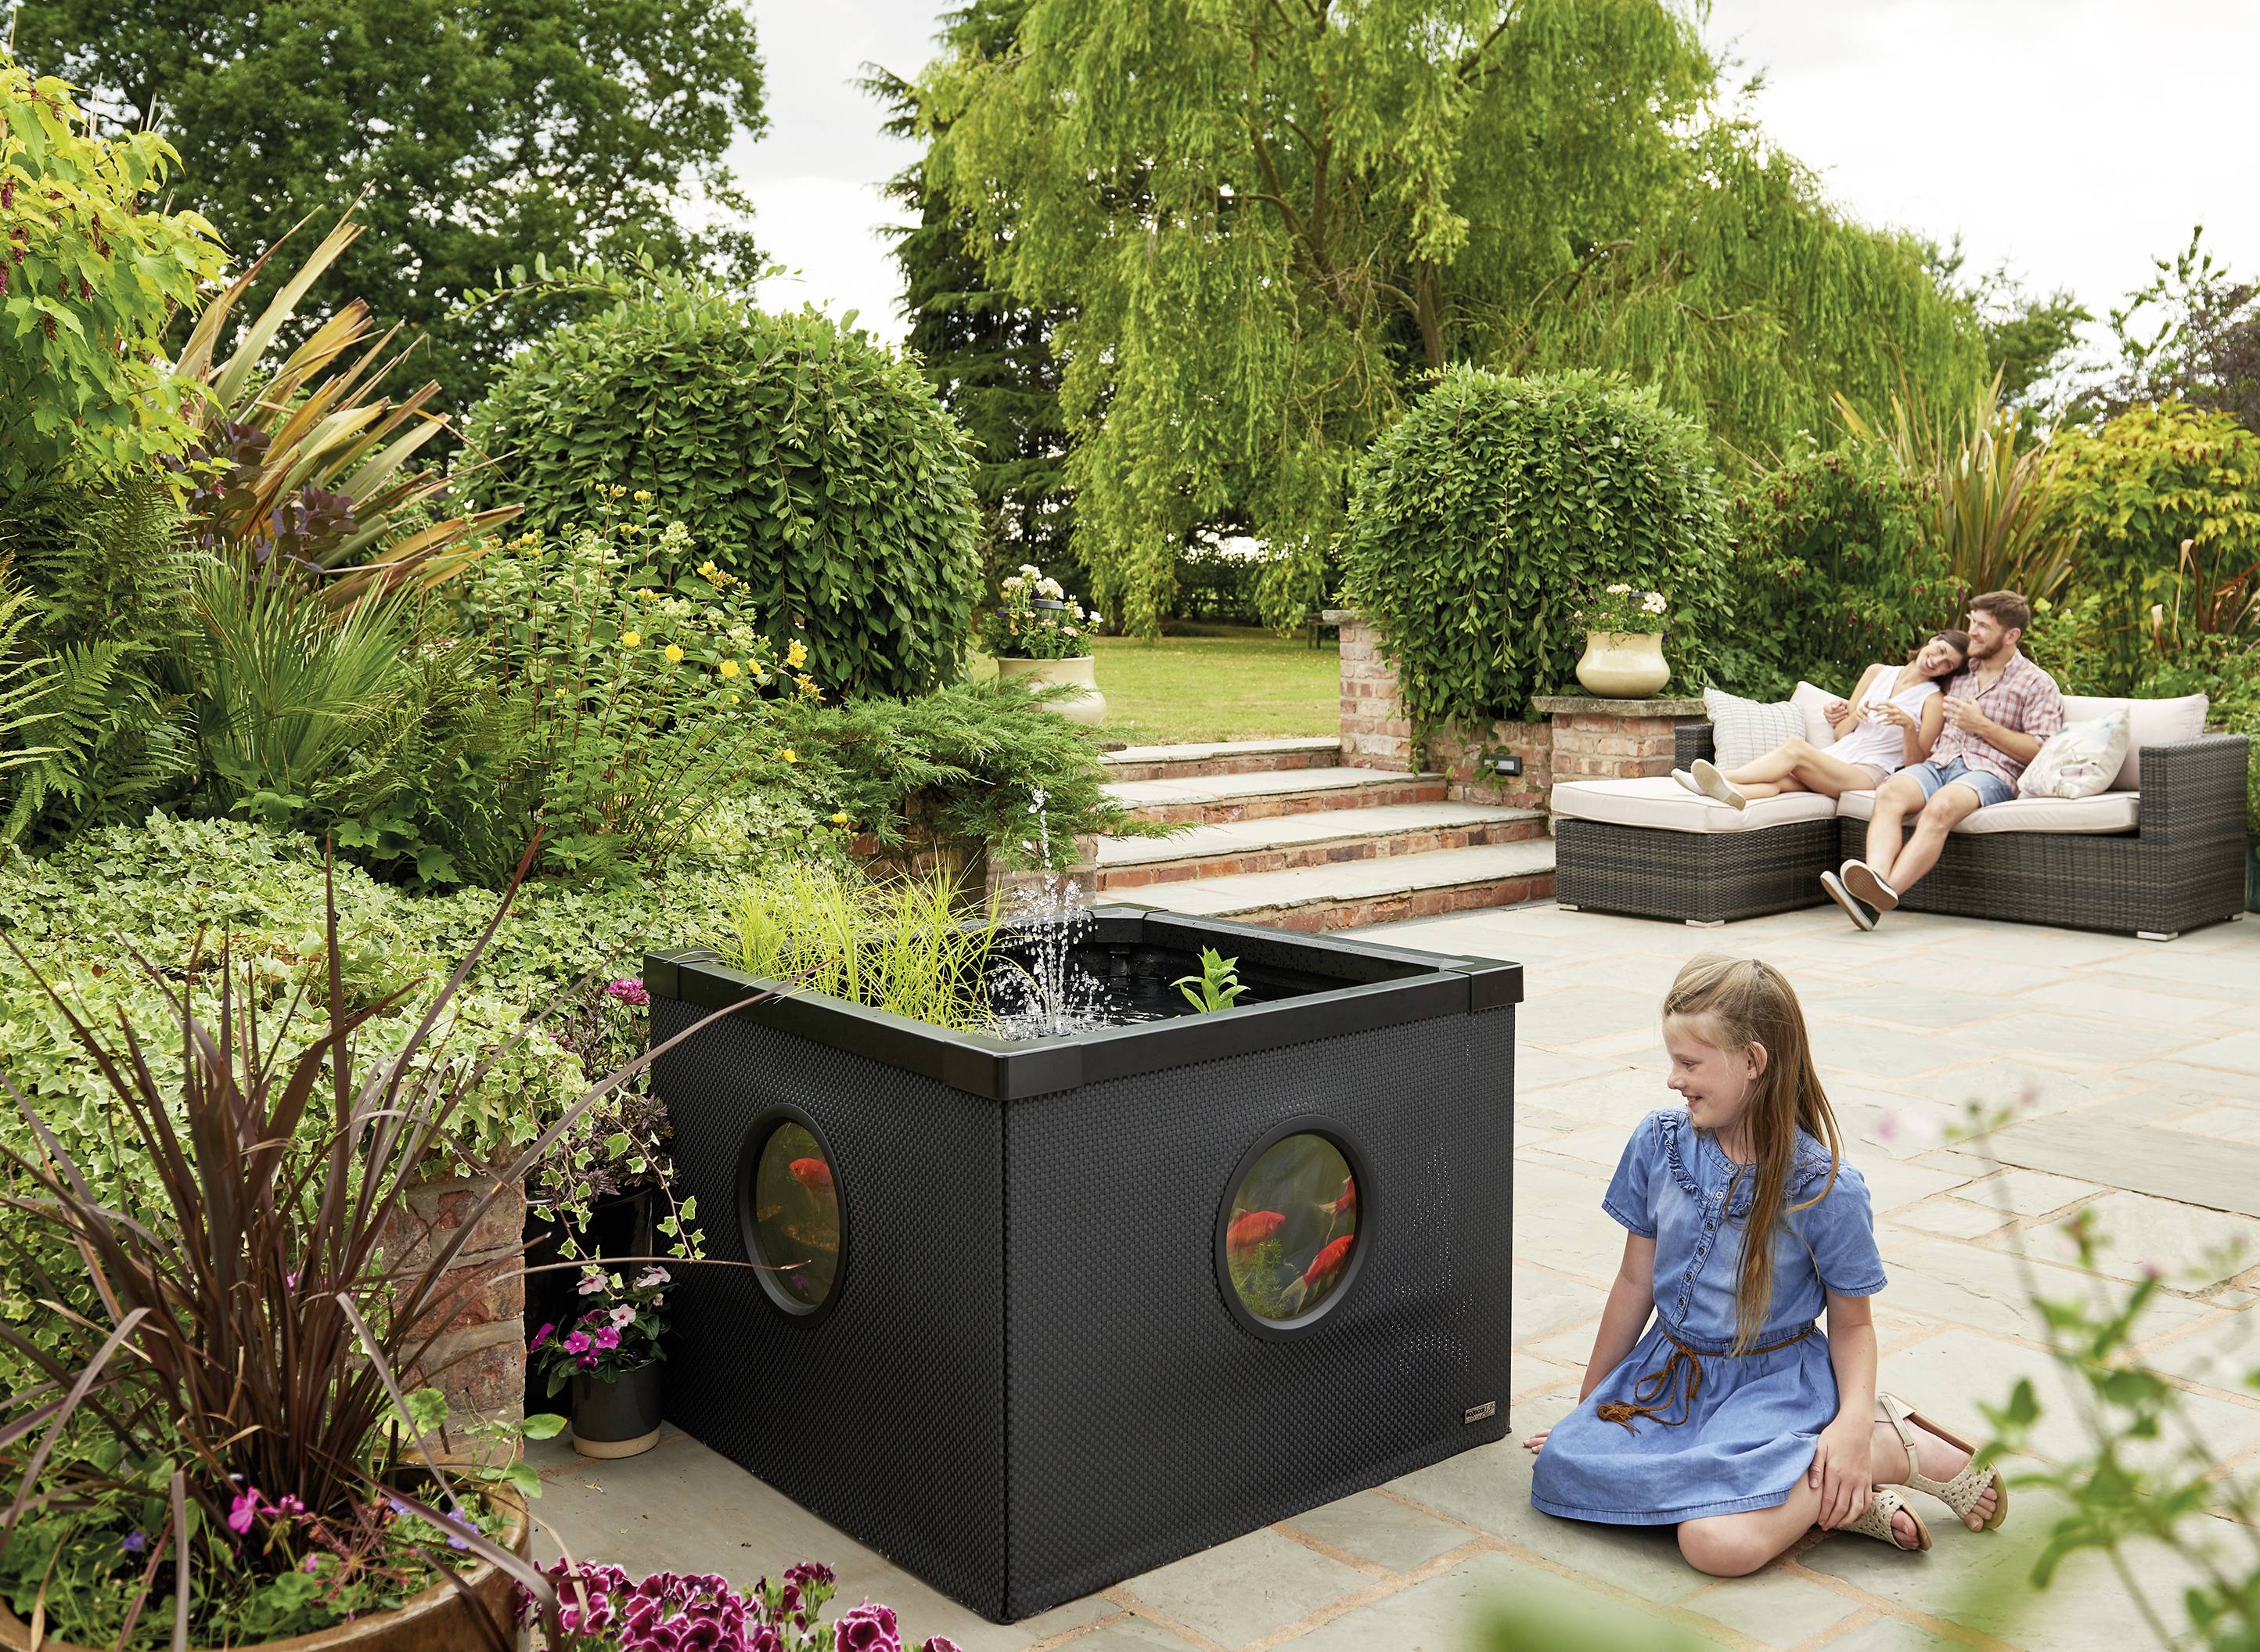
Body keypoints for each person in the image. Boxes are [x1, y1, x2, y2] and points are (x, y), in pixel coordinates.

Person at [1524, 956, 2004, 1575]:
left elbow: (1854, 1326)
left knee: (1712, 1543)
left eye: (1691, 1063)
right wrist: (1590, 1407)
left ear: (1752, 1061)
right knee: (1562, 1468)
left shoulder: (1826, 1189)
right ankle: (1828, 1490)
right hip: (1673, 1375)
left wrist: (1851, 1424)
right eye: (1672, 1059)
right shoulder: (1657, 1142)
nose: (1673, 1079)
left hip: (1772, 1387)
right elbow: (1635, 1281)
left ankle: (1880, 1445)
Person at [1823, 592, 2065, 930]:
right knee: (1891, 793)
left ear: (2012, 636)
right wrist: (1844, 711)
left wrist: (1981, 726)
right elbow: (1903, 683)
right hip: (1938, 764)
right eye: (1972, 622)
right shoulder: (1958, 673)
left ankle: (1874, 900)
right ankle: (1874, 882)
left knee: (1941, 807)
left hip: (1989, 772)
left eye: (1983, 626)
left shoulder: (2037, 683)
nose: (1973, 632)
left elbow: (2042, 750)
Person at [1675, 632, 1970, 808]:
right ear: (1934, 640)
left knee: (1795, 748)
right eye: (1940, 651)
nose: (1937, 661)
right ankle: (1728, 794)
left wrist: (1907, 726)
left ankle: (1719, 777)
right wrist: (1855, 714)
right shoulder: (1876, 672)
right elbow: (1842, 733)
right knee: (1778, 780)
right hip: (1840, 756)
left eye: (1948, 664)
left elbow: (1917, 764)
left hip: (1871, 773)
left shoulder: (1933, 700)